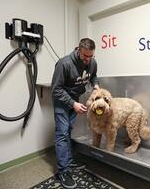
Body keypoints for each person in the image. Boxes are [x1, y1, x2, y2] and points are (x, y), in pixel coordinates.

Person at [51, 38, 99, 188]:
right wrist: (73, 104)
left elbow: (94, 76)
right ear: (78, 50)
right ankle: (63, 171)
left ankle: (69, 162)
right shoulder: (64, 64)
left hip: (75, 99)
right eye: (85, 56)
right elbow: (56, 90)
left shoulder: (92, 62)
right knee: (62, 133)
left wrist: (96, 85)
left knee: (69, 131)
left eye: (90, 56)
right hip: (62, 101)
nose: (88, 60)